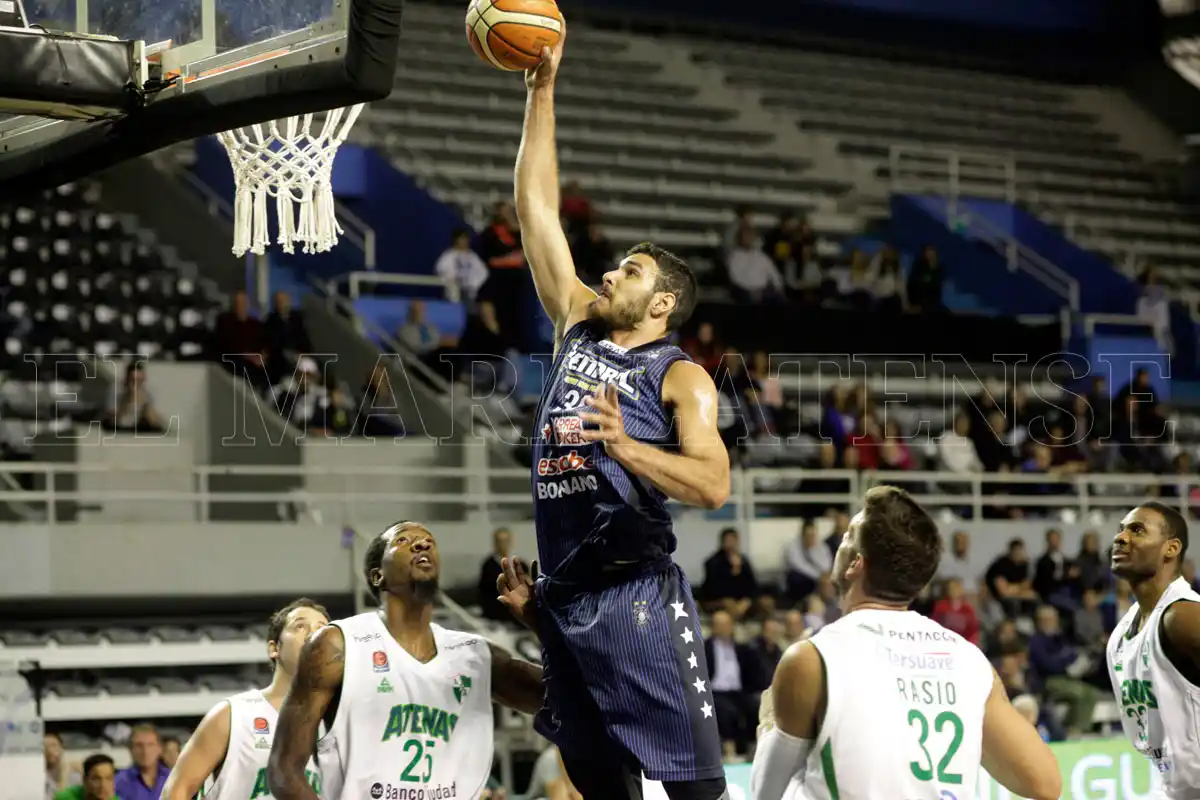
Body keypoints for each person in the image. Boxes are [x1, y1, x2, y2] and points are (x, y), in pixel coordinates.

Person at [511, 27, 730, 800]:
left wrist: (628, 447)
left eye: (629, 271)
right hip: (564, 593)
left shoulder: (681, 375)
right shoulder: (577, 322)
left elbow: (711, 484)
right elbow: (536, 207)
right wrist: (542, 91)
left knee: (698, 790)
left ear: (662, 302)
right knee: (604, 789)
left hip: (635, 592)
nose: (608, 273)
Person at [751, 486, 1061, 800]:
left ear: (855, 564)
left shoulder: (812, 659)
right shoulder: (970, 661)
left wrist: (769, 726)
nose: (839, 541)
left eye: (847, 535)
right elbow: (1046, 784)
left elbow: (765, 796)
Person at [267, 521, 543, 800]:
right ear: (377, 576)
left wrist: (545, 626)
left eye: (429, 541)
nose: (422, 544)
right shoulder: (338, 645)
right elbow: (284, 771)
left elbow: (557, 699)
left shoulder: (476, 655)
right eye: (404, 540)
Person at [161, 598, 329, 800]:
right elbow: (175, 792)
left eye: (322, 629)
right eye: (300, 626)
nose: (313, 634)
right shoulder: (233, 714)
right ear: (274, 648)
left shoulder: (343, 720)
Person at [1106, 502, 1200, 796]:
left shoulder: (1182, 617)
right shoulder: (1121, 636)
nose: (1120, 538)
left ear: (1170, 549)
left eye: (1137, 530)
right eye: (1121, 530)